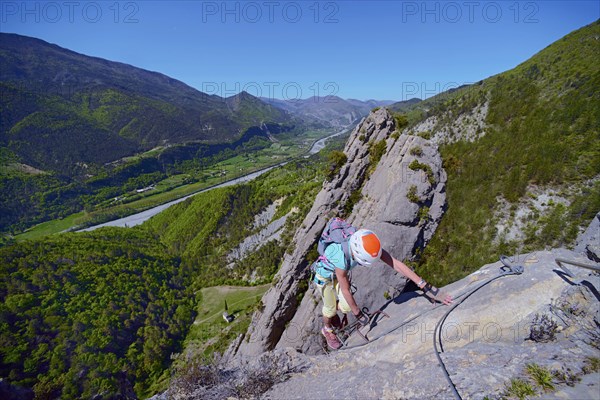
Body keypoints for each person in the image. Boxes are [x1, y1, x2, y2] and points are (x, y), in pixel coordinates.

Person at [312, 228, 453, 350]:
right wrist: (359, 315)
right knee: (329, 309)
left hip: (338, 276)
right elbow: (345, 290)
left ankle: (336, 311)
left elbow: (396, 264)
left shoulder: (367, 242)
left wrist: (426, 286)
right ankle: (327, 329)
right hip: (324, 279)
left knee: (346, 307)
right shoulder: (341, 258)